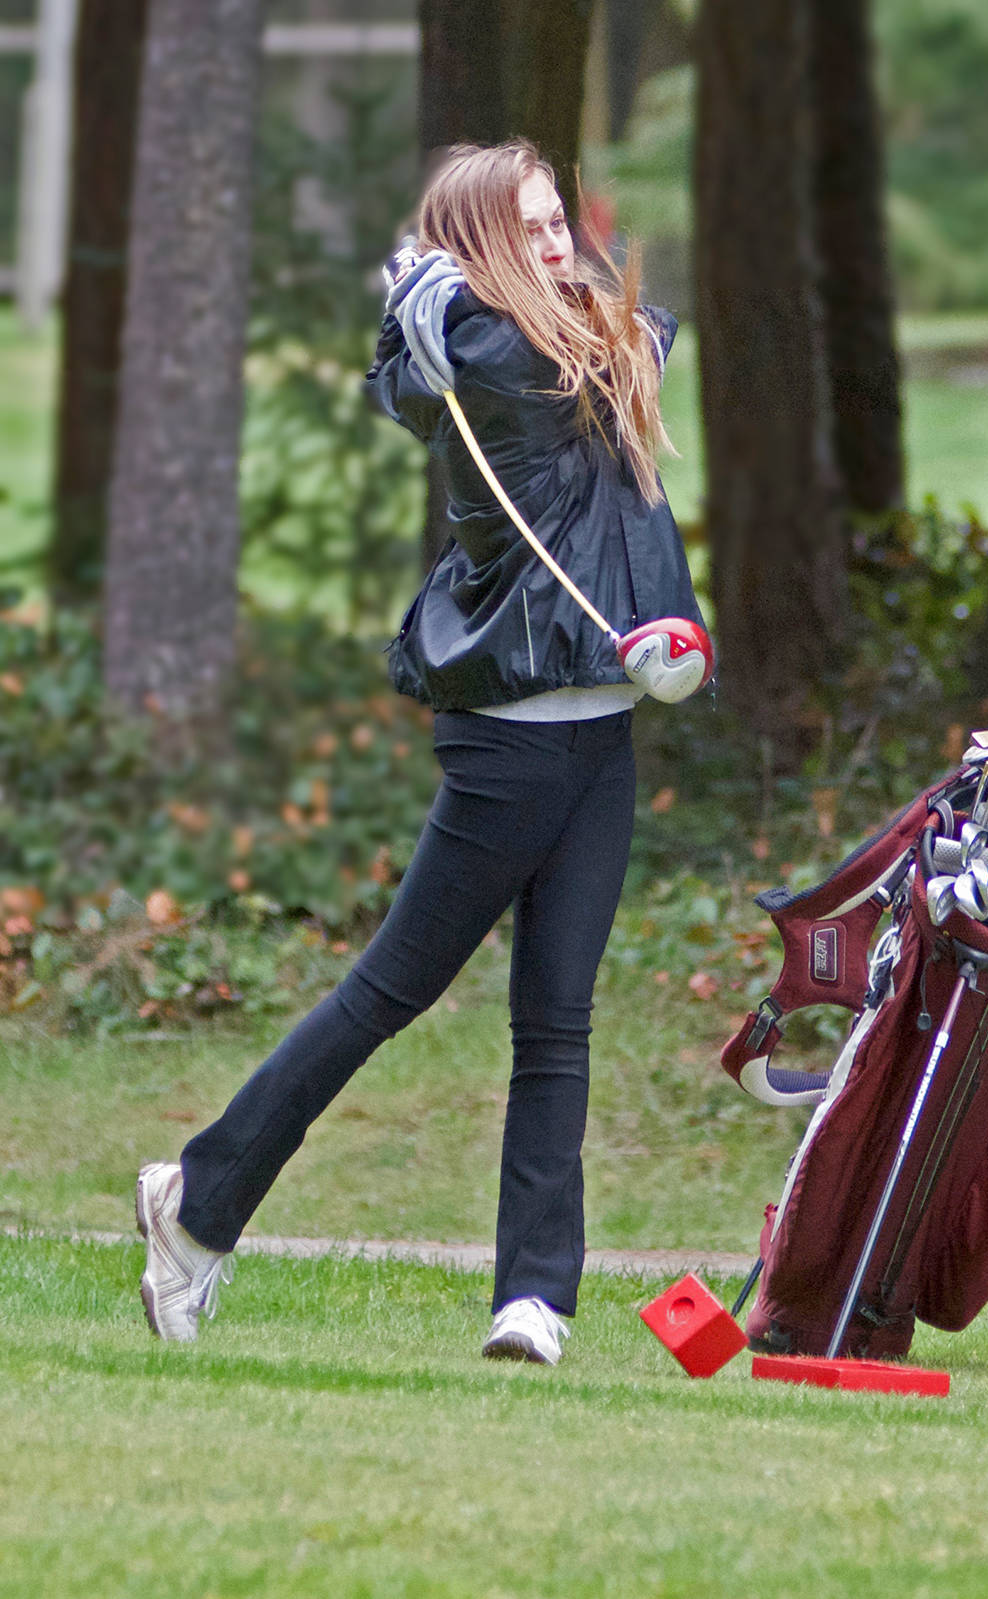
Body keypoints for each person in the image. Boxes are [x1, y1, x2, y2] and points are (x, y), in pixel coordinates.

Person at [135, 140, 704, 1365]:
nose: (558, 244)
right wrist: (433, 300)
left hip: (597, 732)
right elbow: (614, 345)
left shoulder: (516, 342)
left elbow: (647, 336)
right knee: (390, 992)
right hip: (509, 742)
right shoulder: (505, 362)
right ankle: (197, 1201)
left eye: (561, 222)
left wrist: (423, 300)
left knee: (557, 1023)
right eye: (532, 228)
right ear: (480, 250)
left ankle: (532, 1300)